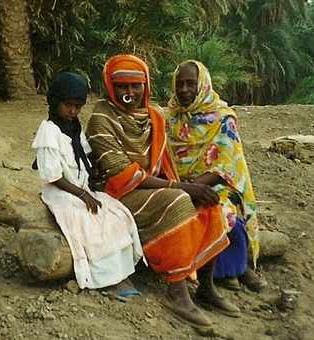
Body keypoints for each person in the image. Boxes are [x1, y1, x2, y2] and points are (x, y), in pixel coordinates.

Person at [86, 55, 240, 329]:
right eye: (121, 86)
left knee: (209, 203)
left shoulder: (155, 116)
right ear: (110, 86)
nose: (129, 93)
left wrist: (190, 188)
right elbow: (122, 174)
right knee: (179, 201)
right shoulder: (101, 118)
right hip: (116, 193)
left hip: (151, 187)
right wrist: (183, 188)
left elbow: (164, 165)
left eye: (136, 86)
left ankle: (206, 287)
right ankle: (176, 292)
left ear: (146, 86)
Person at [32, 72, 143, 292]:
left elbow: (86, 155)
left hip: (80, 188)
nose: (73, 111)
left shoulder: (74, 127)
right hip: (61, 192)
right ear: (55, 102)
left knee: (116, 213)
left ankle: (121, 272)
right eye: (68, 105)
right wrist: (82, 195)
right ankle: (106, 278)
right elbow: (53, 176)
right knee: (90, 223)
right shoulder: (49, 131)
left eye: (78, 106)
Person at [166, 60, 266, 292]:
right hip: (176, 183)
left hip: (215, 183)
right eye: (179, 84)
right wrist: (181, 186)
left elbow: (226, 165)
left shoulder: (223, 119)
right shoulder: (169, 118)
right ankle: (228, 274)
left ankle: (239, 269)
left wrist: (195, 187)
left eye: (190, 83)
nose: (183, 90)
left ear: (203, 85)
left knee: (222, 210)